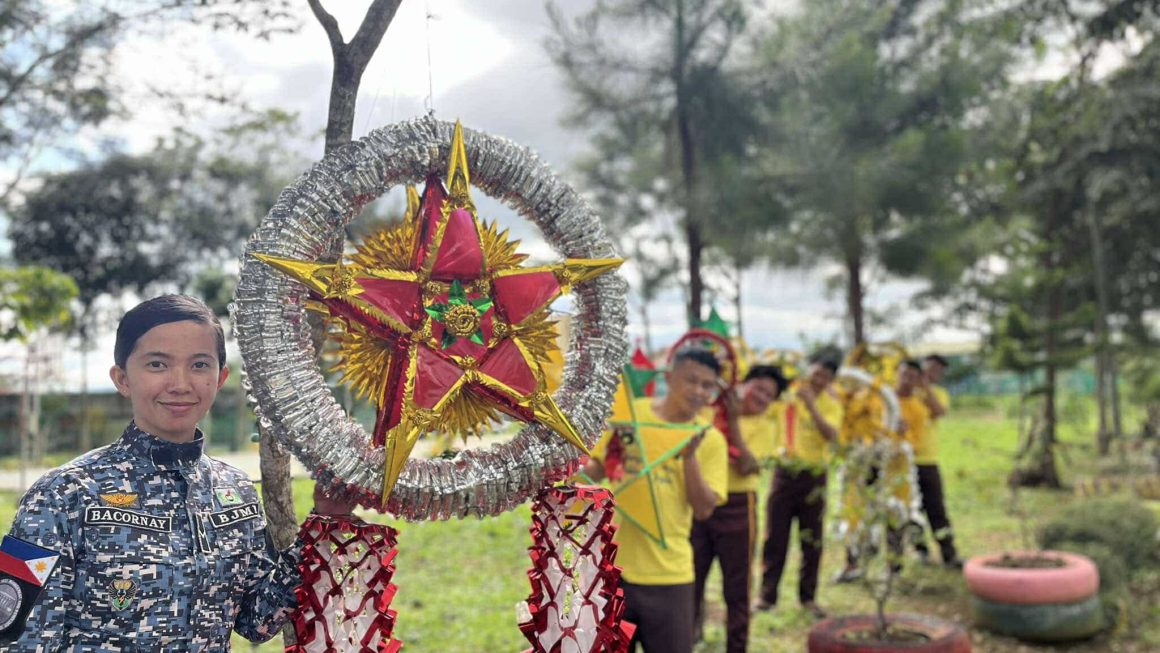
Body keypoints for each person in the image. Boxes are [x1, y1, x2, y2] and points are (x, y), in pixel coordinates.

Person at [0, 295, 352, 650]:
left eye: (200, 365)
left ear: (220, 378)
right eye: (157, 364)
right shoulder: (61, 494)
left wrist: (325, 522)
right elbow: (14, 639)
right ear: (122, 379)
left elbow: (257, 622)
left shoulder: (235, 491)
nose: (181, 383)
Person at [585, 348, 729, 653]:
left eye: (707, 385)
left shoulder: (710, 439)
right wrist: (562, 464)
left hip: (670, 577)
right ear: (670, 376)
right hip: (614, 570)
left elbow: (704, 510)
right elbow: (596, 469)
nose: (699, 391)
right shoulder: (632, 417)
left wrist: (689, 457)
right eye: (691, 380)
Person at [692, 365, 787, 653]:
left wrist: (732, 421)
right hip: (700, 504)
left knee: (737, 588)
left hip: (737, 506)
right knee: (691, 578)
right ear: (743, 385)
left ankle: (737, 646)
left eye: (769, 395)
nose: (761, 397)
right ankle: (688, 638)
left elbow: (747, 465)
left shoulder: (766, 426)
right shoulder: (709, 411)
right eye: (758, 387)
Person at [754, 357, 843, 619]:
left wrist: (812, 405)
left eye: (825, 376)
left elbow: (832, 435)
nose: (818, 379)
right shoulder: (787, 398)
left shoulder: (831, 404)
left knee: (811, 539)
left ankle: (808, 598)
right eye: (816, 373)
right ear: (809, 371)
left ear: (830, 380)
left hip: (814, 476)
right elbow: (763, 411)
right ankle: (766, 597)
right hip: (784, 473)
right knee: (775, 537)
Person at [912, 353, 961, 568]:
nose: (932, 373)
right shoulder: (906, 392)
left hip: (928, 459)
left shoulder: (939, 393)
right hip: (905, 461)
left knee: (936, 508)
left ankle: (948, 552)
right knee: (912, 511)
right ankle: (920, 550)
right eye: (929, 368)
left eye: (937, 371)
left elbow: (938, 411)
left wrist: (926, 387)